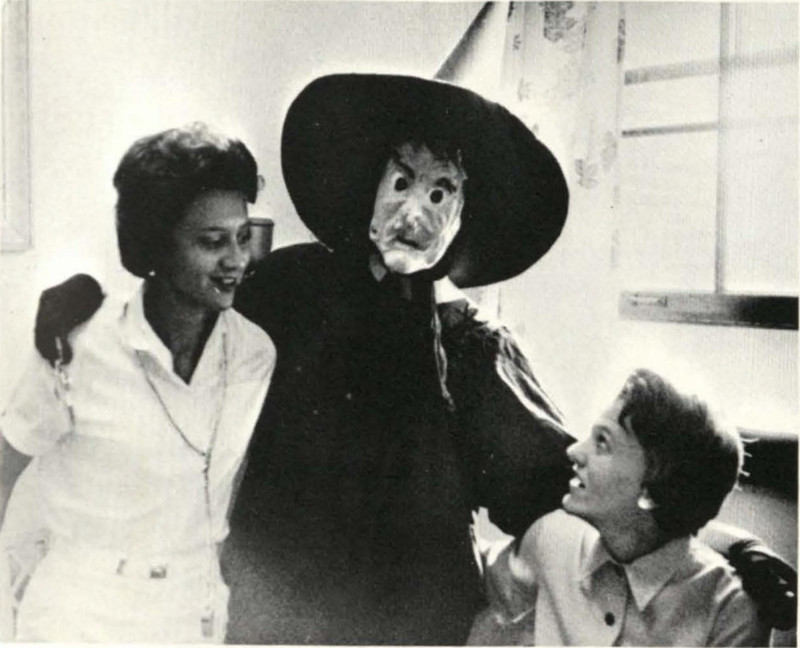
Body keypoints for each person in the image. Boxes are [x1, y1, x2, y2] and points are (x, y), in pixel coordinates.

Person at [29, 75, 797, 644]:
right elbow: (174, 328)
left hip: (409, 625)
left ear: (462, 220)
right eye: (401, 182)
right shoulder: (285, 289)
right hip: (269, 614)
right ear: (370, 188)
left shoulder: (471, 346)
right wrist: (83, 302)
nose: (413, 211)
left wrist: (729, 543)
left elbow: (566, 483)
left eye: (441, 194)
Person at [0, 123, 276, 642]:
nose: (237, 260)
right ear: (155, 245)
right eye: (212, 241)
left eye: (243, 237)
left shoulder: (254, 355)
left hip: (192, 614)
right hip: (78, 615)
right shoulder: (78, 344)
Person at [468, 368, 770, 646]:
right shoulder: (550, 539)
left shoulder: (731, 611)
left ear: (653, 490)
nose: (574, 451)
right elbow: (468, 576)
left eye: (602, 442)